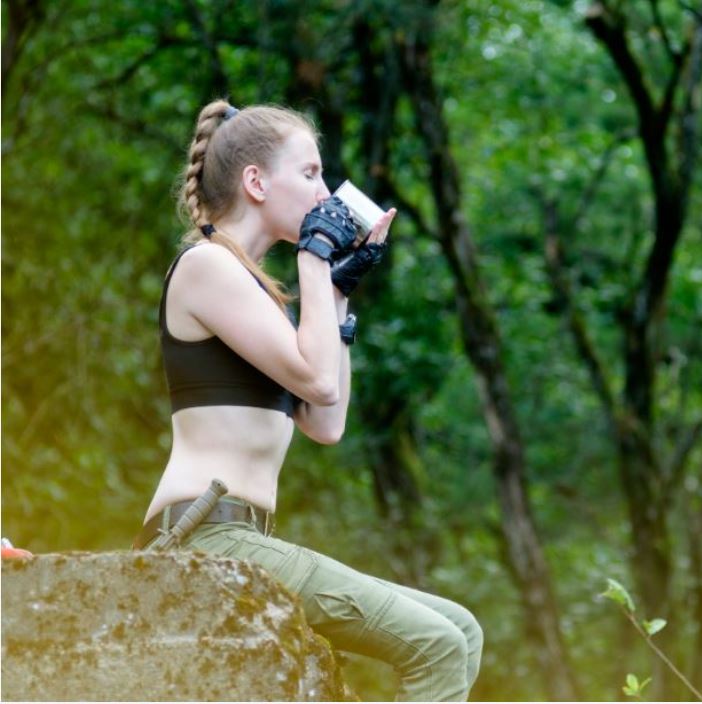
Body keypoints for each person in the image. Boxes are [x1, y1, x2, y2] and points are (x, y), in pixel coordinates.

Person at [134, 99, 483, 701]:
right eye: (311, 173)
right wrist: (314, 260)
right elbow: (320, 382)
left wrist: (338, 291)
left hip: (245, 540)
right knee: (438, 646)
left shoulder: (256, 292)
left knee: (461, 629)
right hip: (206, 537)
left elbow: (326, 420)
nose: (325, 192)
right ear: (255, 182)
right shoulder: (205, 266)